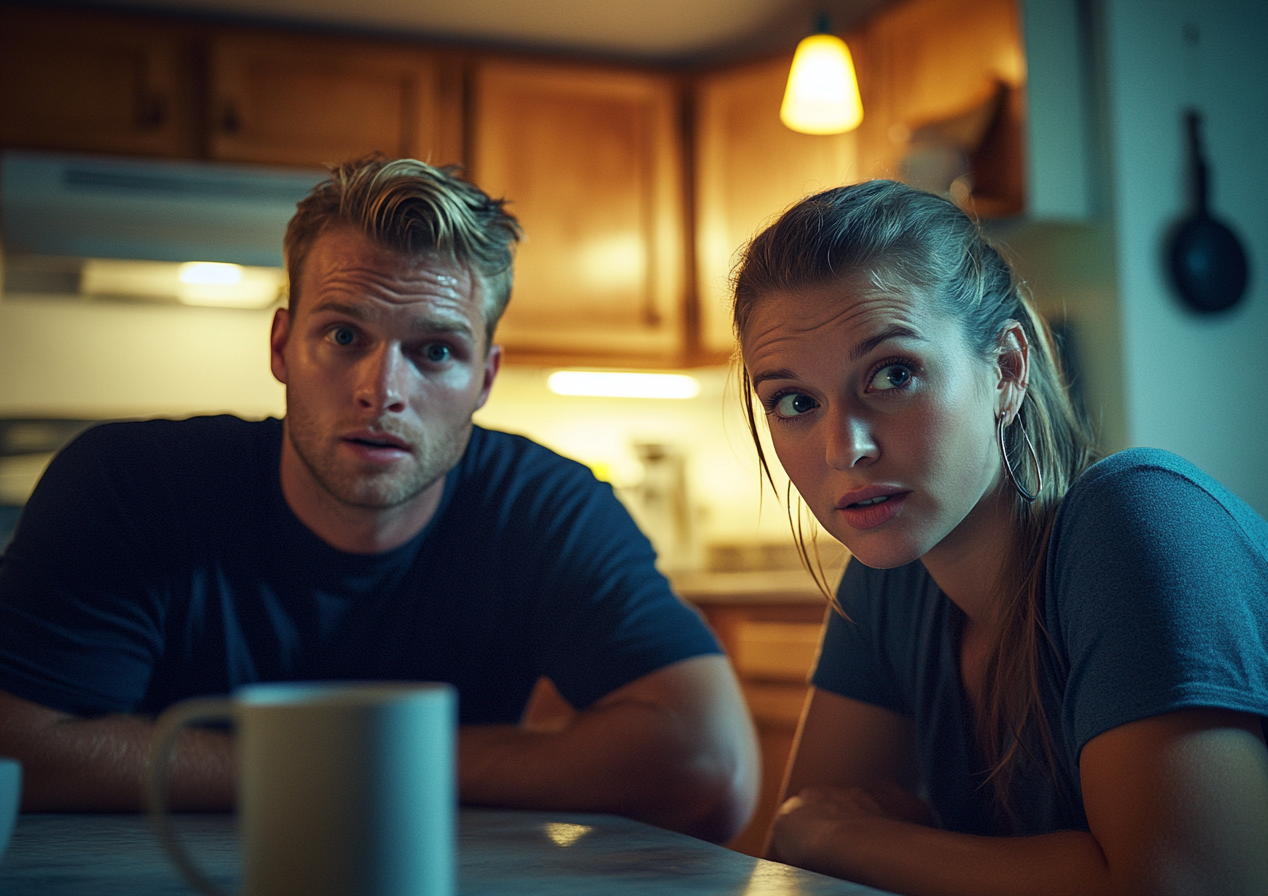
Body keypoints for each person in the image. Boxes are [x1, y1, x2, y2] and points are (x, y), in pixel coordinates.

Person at [0, 156, 759, 843]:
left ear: (485, 380)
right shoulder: (132, 486)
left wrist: (375, 764)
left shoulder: (544, 508)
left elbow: (712, 769)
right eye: (342, 336)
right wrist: (366, 768)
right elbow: (15, 747)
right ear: (281, 348)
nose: (382, 391)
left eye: (435, 351)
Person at [732, 180, 1268, 894]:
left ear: (1007, 371)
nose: (845, 448)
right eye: (795, 402)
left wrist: (850, 836)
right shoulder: (888, 571)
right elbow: (798, 856)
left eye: (893, 374)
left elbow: (1189, 888)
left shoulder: (1139, 519)